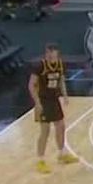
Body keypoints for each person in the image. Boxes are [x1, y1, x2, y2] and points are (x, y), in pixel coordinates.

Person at [28, 44, 79, 173]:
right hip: (43, 101)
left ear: (57, 54)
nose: (50, 55)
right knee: (45, 132)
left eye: (52, 53)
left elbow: (61, 80)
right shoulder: (39, 66)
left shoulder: (60, 65)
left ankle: (62, 154)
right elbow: (31, 85)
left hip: (54, 100)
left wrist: (65, 95)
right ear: (46, 54)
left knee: (61, 126)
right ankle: (40, 161)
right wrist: (37, 102)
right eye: (48, 53)